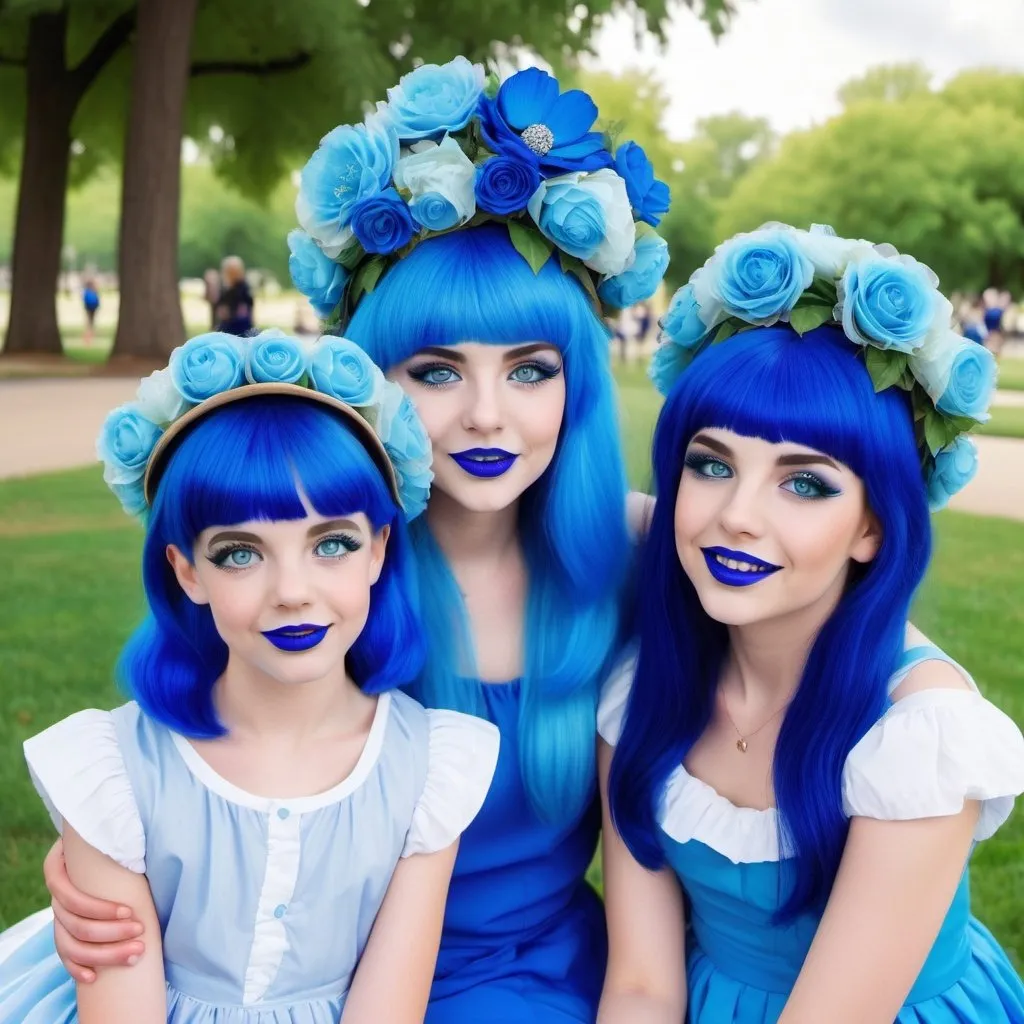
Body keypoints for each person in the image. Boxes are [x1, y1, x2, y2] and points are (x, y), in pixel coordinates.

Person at [40, 57, 672, 1024]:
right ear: (371, 378)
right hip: (282, 971)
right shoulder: (313, 552)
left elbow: (828, 600)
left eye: (531, 371)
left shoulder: (634, 553)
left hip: (519, 977)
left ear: (576, 384)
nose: (488, 417)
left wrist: (936, 695)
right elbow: (185, 760)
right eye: (437, 370)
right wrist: (97, 855)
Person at [0, 330, 499, 1022]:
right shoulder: (113, 773)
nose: (292, 591)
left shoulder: (428, 769)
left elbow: (388, 1008)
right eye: (241, 554)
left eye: (332, 544)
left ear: (380, 550)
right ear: (186, 571)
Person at [597, 224, 1024, 1023]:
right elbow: (641, 986)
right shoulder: (644, 685)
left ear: (874, 527)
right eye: (712, 465)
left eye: (805, 486)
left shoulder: (918, 739)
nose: (738, 518)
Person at [216, 255, 254, 336]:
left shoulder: (243, 288)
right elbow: (220, 306)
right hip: (226, 327)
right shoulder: (224, 288)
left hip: (241, 327)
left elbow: (247, 306)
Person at [81, 277, 100, 346]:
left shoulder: (86, 291)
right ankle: (89, 338)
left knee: (89, 323)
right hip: (92, 308)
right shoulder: (93, 291)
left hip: (89, 308)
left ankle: (89, 337)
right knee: (90, 323)